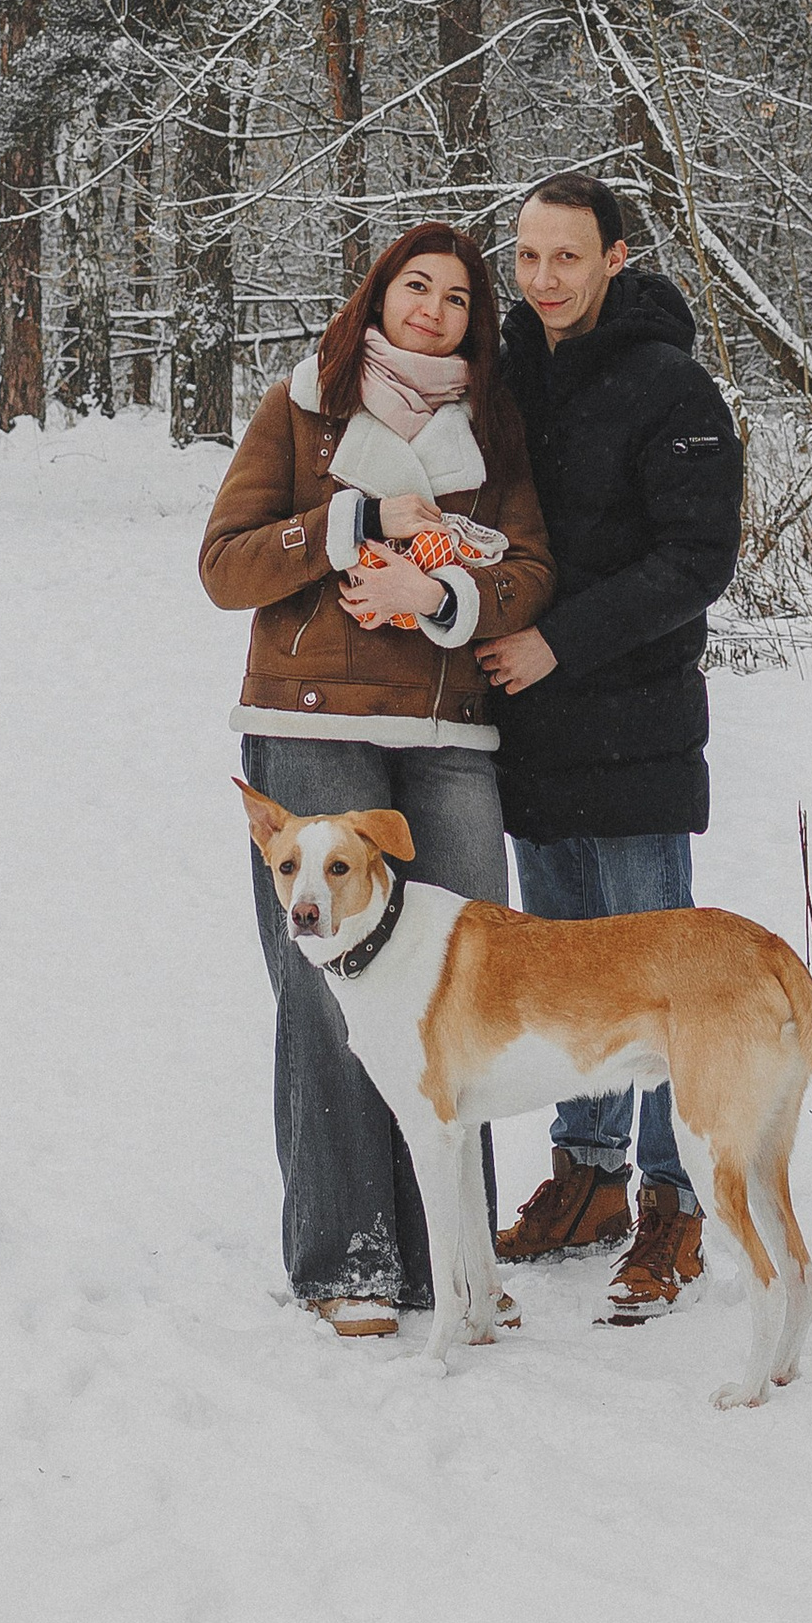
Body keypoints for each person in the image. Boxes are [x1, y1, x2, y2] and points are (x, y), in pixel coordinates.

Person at [201, 223, 553, 1339]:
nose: (432, 311)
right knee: (326, 989)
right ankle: (346, 1256)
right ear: (379, 293)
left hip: (448, 735)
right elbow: (224, 566)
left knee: (465, 993)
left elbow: (530, 569)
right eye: (416, 287)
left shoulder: (491, 427)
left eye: (457, 298)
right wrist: (351, 523)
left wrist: (437, 595)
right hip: (311, 725)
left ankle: (454, 1264)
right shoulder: (303, 407)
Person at [474, 172, 743, 1321]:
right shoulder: (504, 377)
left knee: (659, 989)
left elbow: (696, 559)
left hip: (631, 733)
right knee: (563, 982)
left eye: (567, 258)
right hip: (533, 736)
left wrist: (558, 642)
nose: (542, 279)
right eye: (527, 256)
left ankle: (674, 1203)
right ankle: (586, 1178)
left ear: (615, 259)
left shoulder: (668, 383)